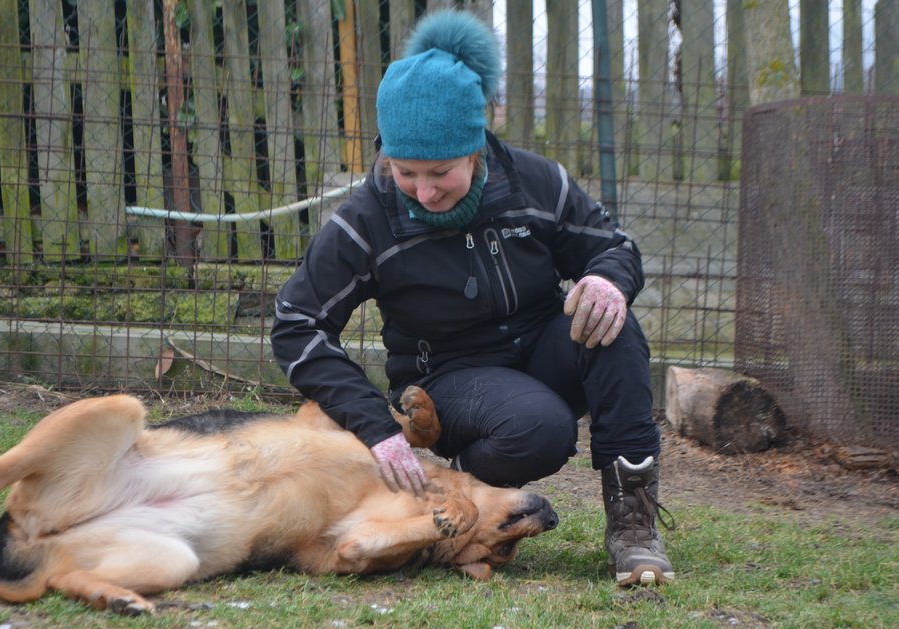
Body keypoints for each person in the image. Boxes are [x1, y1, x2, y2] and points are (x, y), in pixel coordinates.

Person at [270, 9, 673, 586]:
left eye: (441, 172)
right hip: (448, 379)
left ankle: (633, 530)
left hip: (540, 346)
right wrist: (374, 427)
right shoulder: (366, 219)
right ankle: (450, 481)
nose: (423, 190)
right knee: (542, 429)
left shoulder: (536, 182)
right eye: (406, 171)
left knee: (615, 324)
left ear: (475, 148)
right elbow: (296, 322)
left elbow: (612, 246)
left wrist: (608, 280)